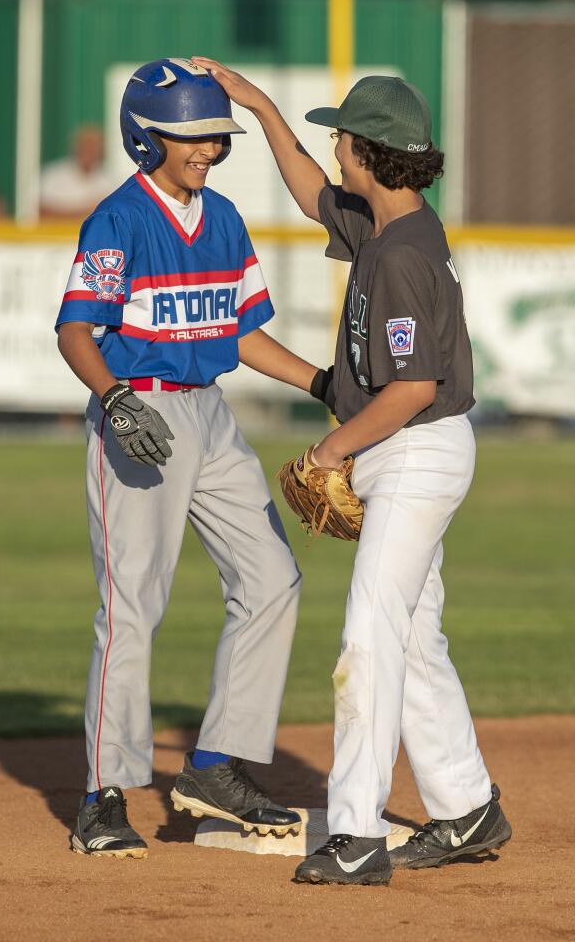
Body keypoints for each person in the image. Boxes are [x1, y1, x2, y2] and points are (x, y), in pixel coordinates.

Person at [192, 57, 512, 885]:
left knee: (368, 637)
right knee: (410, 634)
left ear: (370, 151)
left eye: (343, 136)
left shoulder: (400, 252)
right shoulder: (390, 221)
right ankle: (467, 805)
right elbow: (308, 194)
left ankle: (359, 835)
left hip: (414, 453)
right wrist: (261, 106)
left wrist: (328, 449)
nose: (333, 146)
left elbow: (412, 388)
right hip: (414, 451)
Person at [55, 58, 329, 859]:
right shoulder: (119, 219)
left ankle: (213, 764)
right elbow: (76, 329)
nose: (205, 148)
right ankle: (102, 796)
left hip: (210, 417)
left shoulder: (224, 219)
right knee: (133, 603)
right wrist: (112, 398)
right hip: (137, 411)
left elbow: (240, 336)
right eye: (189, 136)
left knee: (273, 578)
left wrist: (318, 381)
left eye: (213, 134)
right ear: (147, 138)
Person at [40, 124, 115, 219]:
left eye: (94, 146)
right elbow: (43, 212)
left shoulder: (110, 179)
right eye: (86, 145)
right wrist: (87, 210)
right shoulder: (53, 175)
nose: (90, 150)